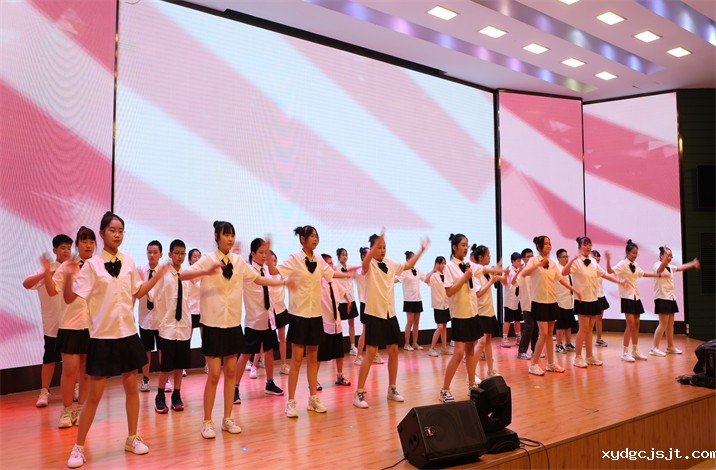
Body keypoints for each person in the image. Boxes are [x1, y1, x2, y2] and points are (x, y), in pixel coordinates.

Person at [64, 212, 167, 468]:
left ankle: (132, 438)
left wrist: (157, 276)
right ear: (102, 233)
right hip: (102, 337)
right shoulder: (92, 265)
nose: (117, 235)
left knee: (132, 388)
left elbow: (138, 292)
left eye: (121, 230)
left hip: (127, 334)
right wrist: (66, 276)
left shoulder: (129, 262)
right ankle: (78, 447)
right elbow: (70, 298)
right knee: (94, 396)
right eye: (112, 230)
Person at [181, 221, 285, 438]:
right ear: (217, 236)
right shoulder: (208, 259)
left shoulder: (238, 261)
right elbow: (183, 275)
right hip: (213, 324)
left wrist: (283, 282)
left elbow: (258, 278)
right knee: (214, 374)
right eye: (226, 234)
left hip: (233, 324)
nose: (229, 238)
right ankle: (207, 421)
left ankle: (227, 418)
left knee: (230, 373)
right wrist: (206, 270)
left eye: (232, 235)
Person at [270, 225, 351, 418]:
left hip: (316, 316)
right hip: (299, 316)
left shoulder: (320, 259)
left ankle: (313, 399)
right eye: (311, 236)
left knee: (313, 359)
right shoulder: (294, 258)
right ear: (302, 239)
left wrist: (351, 273)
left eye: (316, 236)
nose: (315, 239)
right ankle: (291, 402)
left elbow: (331, 274)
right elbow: (275, 271)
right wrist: (267, 256)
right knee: (297, 360)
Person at [353, 231, 429, 409]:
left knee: (394, 349)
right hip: (374, 313)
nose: (382, 250)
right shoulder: (368, 265)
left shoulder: (391, 263)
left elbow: (409, 264)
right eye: (378, 247)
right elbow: (365, 263)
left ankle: (392, 388)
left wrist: (421, 250)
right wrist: (373, 247)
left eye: (384, 247)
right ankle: (359, 392)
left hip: (390, 313)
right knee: (371, 352)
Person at [45, 227, 95, 428]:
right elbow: (52, 290)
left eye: (91, 241)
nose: (88, 245)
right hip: (70, 325)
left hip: (92, 327)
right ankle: (66, 410)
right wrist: (46, 272)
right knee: (69, 371)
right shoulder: (67, 266)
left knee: (86, 372)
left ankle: (81, 409)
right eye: (84, 241)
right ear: (77, 244)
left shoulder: (99, 266)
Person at [233, 238, 285, 405]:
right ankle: (234, 387)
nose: (264, 256)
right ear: (253, 254)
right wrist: (235, 252)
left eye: (265, 253)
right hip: (254, 321)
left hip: (269, 318)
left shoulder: (268, 270)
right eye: (261, 253)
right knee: (245, 354)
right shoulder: (248, 270)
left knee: (269, 352)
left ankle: (269, 383)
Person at [23, 233, 72, 408]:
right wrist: (45, 274)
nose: (66, 251)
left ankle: (75, 388)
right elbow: (26, 283)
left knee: (73, 360)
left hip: (72, 324)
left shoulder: (73, 268)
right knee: (50, 359)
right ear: (55, 250)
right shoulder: (48, 269)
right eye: (63, 248)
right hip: (52, 325)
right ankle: (44, 391)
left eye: (69, 248)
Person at [520, 236, 580, 376]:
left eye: (549, 243)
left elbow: (560, 279)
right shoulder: (533, 260)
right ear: (539, 246)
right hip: (539, 301)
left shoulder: (552, 263)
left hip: (552, 301)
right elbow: (524, 273)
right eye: (545, 244)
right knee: (543, 333)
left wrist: (574, 290)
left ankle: (551, 363)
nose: (548, 246)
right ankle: (534, 365)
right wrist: (538, 265)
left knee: (549, 333)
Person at [561, 238, 625, 368]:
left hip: (593, 299)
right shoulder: (576, 262)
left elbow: (604, 275)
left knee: (590, 329)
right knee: (583, 328)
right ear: (579, 247)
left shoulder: (594, 262)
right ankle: (578, 357)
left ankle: (589, 356)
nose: (588, 247)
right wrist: (572, 260)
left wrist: (619, 282)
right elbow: (564, 272)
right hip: (582, 300)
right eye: (585, 245)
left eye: (590, 244)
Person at [151, 240, 192, 414]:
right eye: (177, 253)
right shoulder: (163, 274)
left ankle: (176, 394)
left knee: (179, 365)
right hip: (167, 327)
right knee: (165, 366)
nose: (180, 256)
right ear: (169, 254)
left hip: (183, 327)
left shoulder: (187, 275)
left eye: (182, 253)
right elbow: (152, 295)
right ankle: (160, 395)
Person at [606, 240, 660, 363]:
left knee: (636, 324)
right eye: (633, 253)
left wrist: (657, 275)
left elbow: (643, 273)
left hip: (636, 296)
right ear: (627, 252)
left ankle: (635, 351)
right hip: (627, 297)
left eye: (636, 253)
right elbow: (610, 271)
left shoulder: (635, 264)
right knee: (630, 324)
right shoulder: (622, 264)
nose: (635, 255)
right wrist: (608, 260)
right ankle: (625, 353)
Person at [650, 245, 700, 356]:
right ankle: (654, 348)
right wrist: (665, 258)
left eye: (671, 256)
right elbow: (659, 270)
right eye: (667, 255)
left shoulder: (670, 267)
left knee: (670, 325)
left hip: (671, 298)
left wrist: (693, 263)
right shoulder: (657, 265)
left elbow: (680, 267)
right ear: (661, 256)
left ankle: (670, 346)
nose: (669, 258)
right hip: (661, 298)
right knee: (663, 324)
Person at [316, 258, 351, 389]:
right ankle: (313, 379)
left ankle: (340, 376)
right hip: (324, 324)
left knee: (339, 353)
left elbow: (343, 291)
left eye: (331, 263)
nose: (331, 266)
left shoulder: (334, 281)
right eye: (328, 263)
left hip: (336, 323)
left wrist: (349, 301)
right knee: (319, 355)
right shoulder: (319, 282)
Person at [472, 245, 504, 379]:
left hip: (489, 311)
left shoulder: (487, 272)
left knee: (488, 341)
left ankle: (491, 369)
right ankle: (471, 373)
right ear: (480, 257)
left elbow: (499, 276)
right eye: (488, 255)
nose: (489, 258)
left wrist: (500, 271)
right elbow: (479, 293)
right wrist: (491, 282)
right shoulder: (475, 273)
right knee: (481, 343)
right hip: (480, 312)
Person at [138, 240, 163, 392]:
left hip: (160, 318)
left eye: (155, 252)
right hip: (145, 318)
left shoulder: (164, 272)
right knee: (146, 350)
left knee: (162, 349)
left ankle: (164, 379)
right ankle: (145, 379)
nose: (152, 255)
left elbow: (156, 296)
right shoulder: (140, 270)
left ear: (161, 254)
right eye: (149, 252)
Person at [397, 251, 426, 351]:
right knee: (410, 322)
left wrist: (434, 272)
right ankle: (406, 344)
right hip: (409, 299)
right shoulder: (404, 271)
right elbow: (397, 280)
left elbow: (425, 278)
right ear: (408, 260)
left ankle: (415, 343)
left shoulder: (417, 270)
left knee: (417, 322)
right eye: (413, 258)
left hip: (418, 299)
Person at [269, 250, 291, 375]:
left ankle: (284, 364)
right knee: (264, 340)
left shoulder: (281, 274)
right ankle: (255, 363)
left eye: (274, 261)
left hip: (281, 309)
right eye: (270, 261)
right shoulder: (264, 275)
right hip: (269, 311)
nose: (273, 263)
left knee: (282, 338)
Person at [425, 256, 452, 356]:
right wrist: (433, 270)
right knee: (440, 327)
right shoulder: (434, 275)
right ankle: (431, 348)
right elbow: (426, 280)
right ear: (437, 264)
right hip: (438, 305)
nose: (443, 265)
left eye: (444, 263)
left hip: (446, 304)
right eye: (441, 263)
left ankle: (444, 348)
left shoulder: (446, 275)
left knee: (444, 326)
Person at [335, 248, 359, 356]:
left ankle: (352, 346)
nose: (345, 257)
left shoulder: (350, 268)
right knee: (337, 324)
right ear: (338, 256)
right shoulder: (336, 269)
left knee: (351, 323)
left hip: (351, 298)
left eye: (346, 255)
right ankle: (336, 347)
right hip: (341, 300)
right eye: (343, 255)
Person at [516, 248, 536, 360]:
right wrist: (518, 272)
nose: (530, 258)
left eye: (532, 256)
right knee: (529, 327)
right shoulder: (522, 271)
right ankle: (521, 351)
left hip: (536, 302)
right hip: (526, 304)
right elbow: (514, 283)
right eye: (528, 256)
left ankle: (534, 350)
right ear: (523, 259)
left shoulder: (535, 270)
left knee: (536, 327)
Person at [554, 249, 575, 354]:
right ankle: (558, 345)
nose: (566, 259)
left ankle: (568, 343)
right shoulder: (557, 269)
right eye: (564, 257)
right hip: (560, 300)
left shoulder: (568, 269)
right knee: (561, 325)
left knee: (568, 324)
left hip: (569, 300)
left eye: (567, 256)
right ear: (558, 258)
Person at [186, 248, 203, 374]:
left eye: (199, 257)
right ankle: (183, 367)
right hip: (190, 311)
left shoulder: (205, 275)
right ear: (189, 260)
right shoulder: (187, 273)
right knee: (187, 339)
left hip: (203, 310)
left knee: (206, 340)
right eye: (194, 257)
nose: (197, 259)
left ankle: (208, 364)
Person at [501, 252, 523, 348]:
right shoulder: (508, 270)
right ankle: (504, 338)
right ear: (513, 261)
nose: (520, 263)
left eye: (520, 261)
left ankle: (518, 337)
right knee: (508, 320)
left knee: (517, 319)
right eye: (518, 261)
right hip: (510, 298)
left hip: (518, 298)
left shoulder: (520, 270)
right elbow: (506, 282)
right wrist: (518, 272)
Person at [591, 250, 609, 347]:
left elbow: (607, 275)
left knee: (599, 318)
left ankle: (599, 339)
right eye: (595, 256)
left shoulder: (599, 268)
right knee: (591, 320)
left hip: (600, 295)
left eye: (598, 256)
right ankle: (586, 340)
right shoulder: (589, 268)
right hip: (593, 297)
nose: (597, 258)